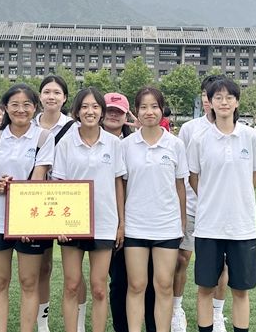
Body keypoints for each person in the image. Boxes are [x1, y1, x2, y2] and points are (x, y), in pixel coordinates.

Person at [188, 78, 256, 332]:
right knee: (205, 288)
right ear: (210, 102)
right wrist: (213, 197)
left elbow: (255, 176)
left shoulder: (251, 137)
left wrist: (236, 196)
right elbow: (194, 178)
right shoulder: (199, 139)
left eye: (229, 97)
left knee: (241, 290)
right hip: (208, 226)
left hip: (242, 227)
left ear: (237, 102)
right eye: (218, 97)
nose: (224, 102)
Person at [0, 84, 54, 332]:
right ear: (5, 108)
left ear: (35, 107)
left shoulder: (43, 137)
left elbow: (38, 179)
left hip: (30, 221)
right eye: (15, 105)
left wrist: (26, 220)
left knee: (29, 282)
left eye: (27, 104)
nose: (21, 109)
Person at [53, 87, 126, 332]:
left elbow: (118, 183)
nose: (90, 111)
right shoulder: (66, 143)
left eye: (95, 106)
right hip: (71, 223)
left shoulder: (114, 144)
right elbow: (59, 184)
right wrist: (59, 224)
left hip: (104, 222)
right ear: (76, 111)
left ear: (102, 112)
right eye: (84, 107)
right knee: (72, 285)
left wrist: (121, 223)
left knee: (99, 287)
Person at [122, 87, 188, 332]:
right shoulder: (126, 145)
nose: (149, 112)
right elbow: (122, 186)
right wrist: (121, 222)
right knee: (136, 285)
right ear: (136, 111)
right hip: (135, 225)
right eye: (143, 107)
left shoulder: (175, 144)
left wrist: (182, 222)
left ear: (162, 110)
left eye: (154, 107)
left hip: (167, 226)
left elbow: (180, 186)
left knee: (164, 285)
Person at [173, 75, 229, 332]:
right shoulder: (190, 129)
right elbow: (184, 171)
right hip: (192, 207)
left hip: (222, 212)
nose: (211, 101)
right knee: (181, 259)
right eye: (209, 95)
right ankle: (176, 310)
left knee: (221, 265)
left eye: (219, 96)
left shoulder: (237, 130)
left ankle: (217, 314)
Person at [33, 75, 84, 332]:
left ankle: (79, 322)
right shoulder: (30, 124)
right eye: (47, 92)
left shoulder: (75, 127)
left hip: (70, 203)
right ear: (40, 96)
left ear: (64, 98)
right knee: (43, 266)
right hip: (38, 204)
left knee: (74, 271)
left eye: (56, 92)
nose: (51, 96)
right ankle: (43, 322)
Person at [103, 91, 156, 332]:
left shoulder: (135, 143)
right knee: (119, 281)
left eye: (119, 112)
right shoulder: (91, 140)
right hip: (106, 223)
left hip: (138, 223)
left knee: (149, 281)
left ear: (126, 115)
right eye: (109, 111)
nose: (113, 115)